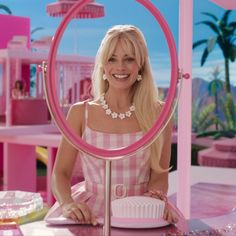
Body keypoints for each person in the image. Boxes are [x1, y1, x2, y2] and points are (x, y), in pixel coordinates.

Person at [45, 25, 179, 226]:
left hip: (140, 209)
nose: (120, 67)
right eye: (112, 59)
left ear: (141, 64)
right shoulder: (81, 113)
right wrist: (67, 203)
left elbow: (159, 175)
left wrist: (155, 200)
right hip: (90, 212)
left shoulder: (159, 113)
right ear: (103, 65)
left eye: (129, 58)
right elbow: (60, 173)